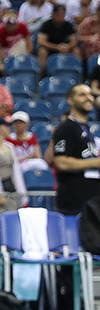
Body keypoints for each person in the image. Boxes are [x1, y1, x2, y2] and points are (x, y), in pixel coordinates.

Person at [49, 84, 100, 217]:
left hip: (91, 202)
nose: (89, 98)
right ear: (70, 100)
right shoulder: (66, 128)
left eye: (90, 94)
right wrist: (95, 163)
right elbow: (61, 162)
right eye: (82, 94)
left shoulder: (86, 129)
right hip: (73, 204)